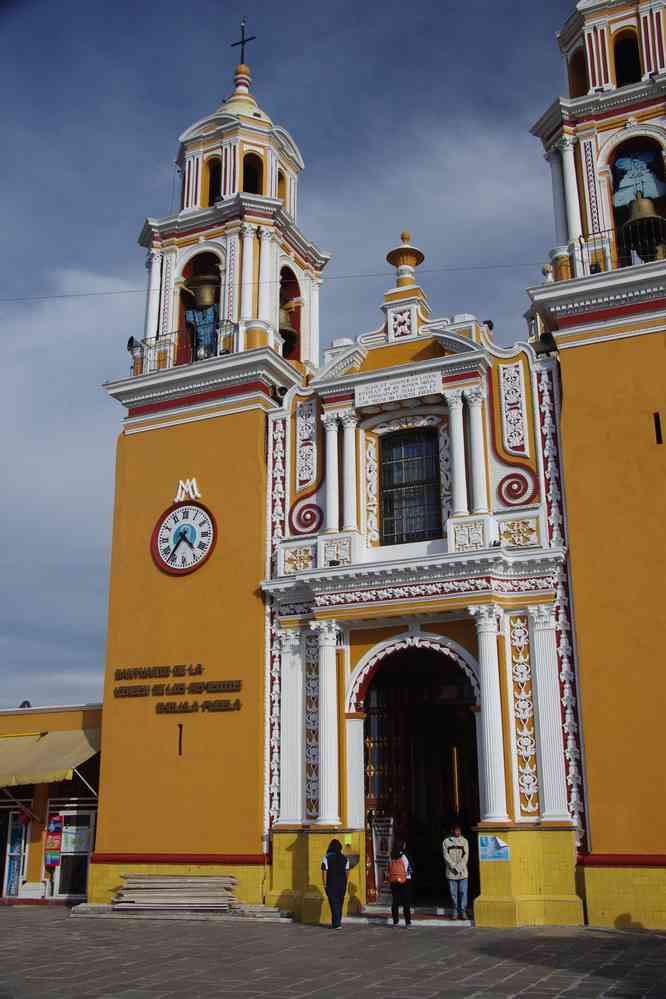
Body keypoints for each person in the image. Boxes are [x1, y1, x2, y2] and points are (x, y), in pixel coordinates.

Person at [442, 823, 469, 920]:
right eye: (456, 830)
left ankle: (463, 911)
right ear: (452, 831)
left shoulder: (464, 841)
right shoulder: (446, 842)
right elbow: (446, 856)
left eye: (459, 830)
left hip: (462, 872)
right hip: (451, 872)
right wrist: (453, 866)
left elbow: (466, 856)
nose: (457, 832)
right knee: (453, 893)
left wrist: (459, 867)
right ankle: (455, 910)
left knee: (463, 892)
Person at [321, 838, 349, 929]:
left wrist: (324, 884)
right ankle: (336, 922)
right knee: (340, 903)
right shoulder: (345, 858)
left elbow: (324, 871)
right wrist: (345, 882)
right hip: (342, 883)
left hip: (331, 883)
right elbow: (347, 871)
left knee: (334, 903)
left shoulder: (326, 858)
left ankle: (336, 924)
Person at [387, 845, 412, 927]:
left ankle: (395, 922)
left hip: (393, 881)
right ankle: (407, 922)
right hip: (405, 881)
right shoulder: (405, 856)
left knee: (395, 901)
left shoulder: (391, 856)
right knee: (406, 902)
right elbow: (410, 869)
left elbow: (388, 868)